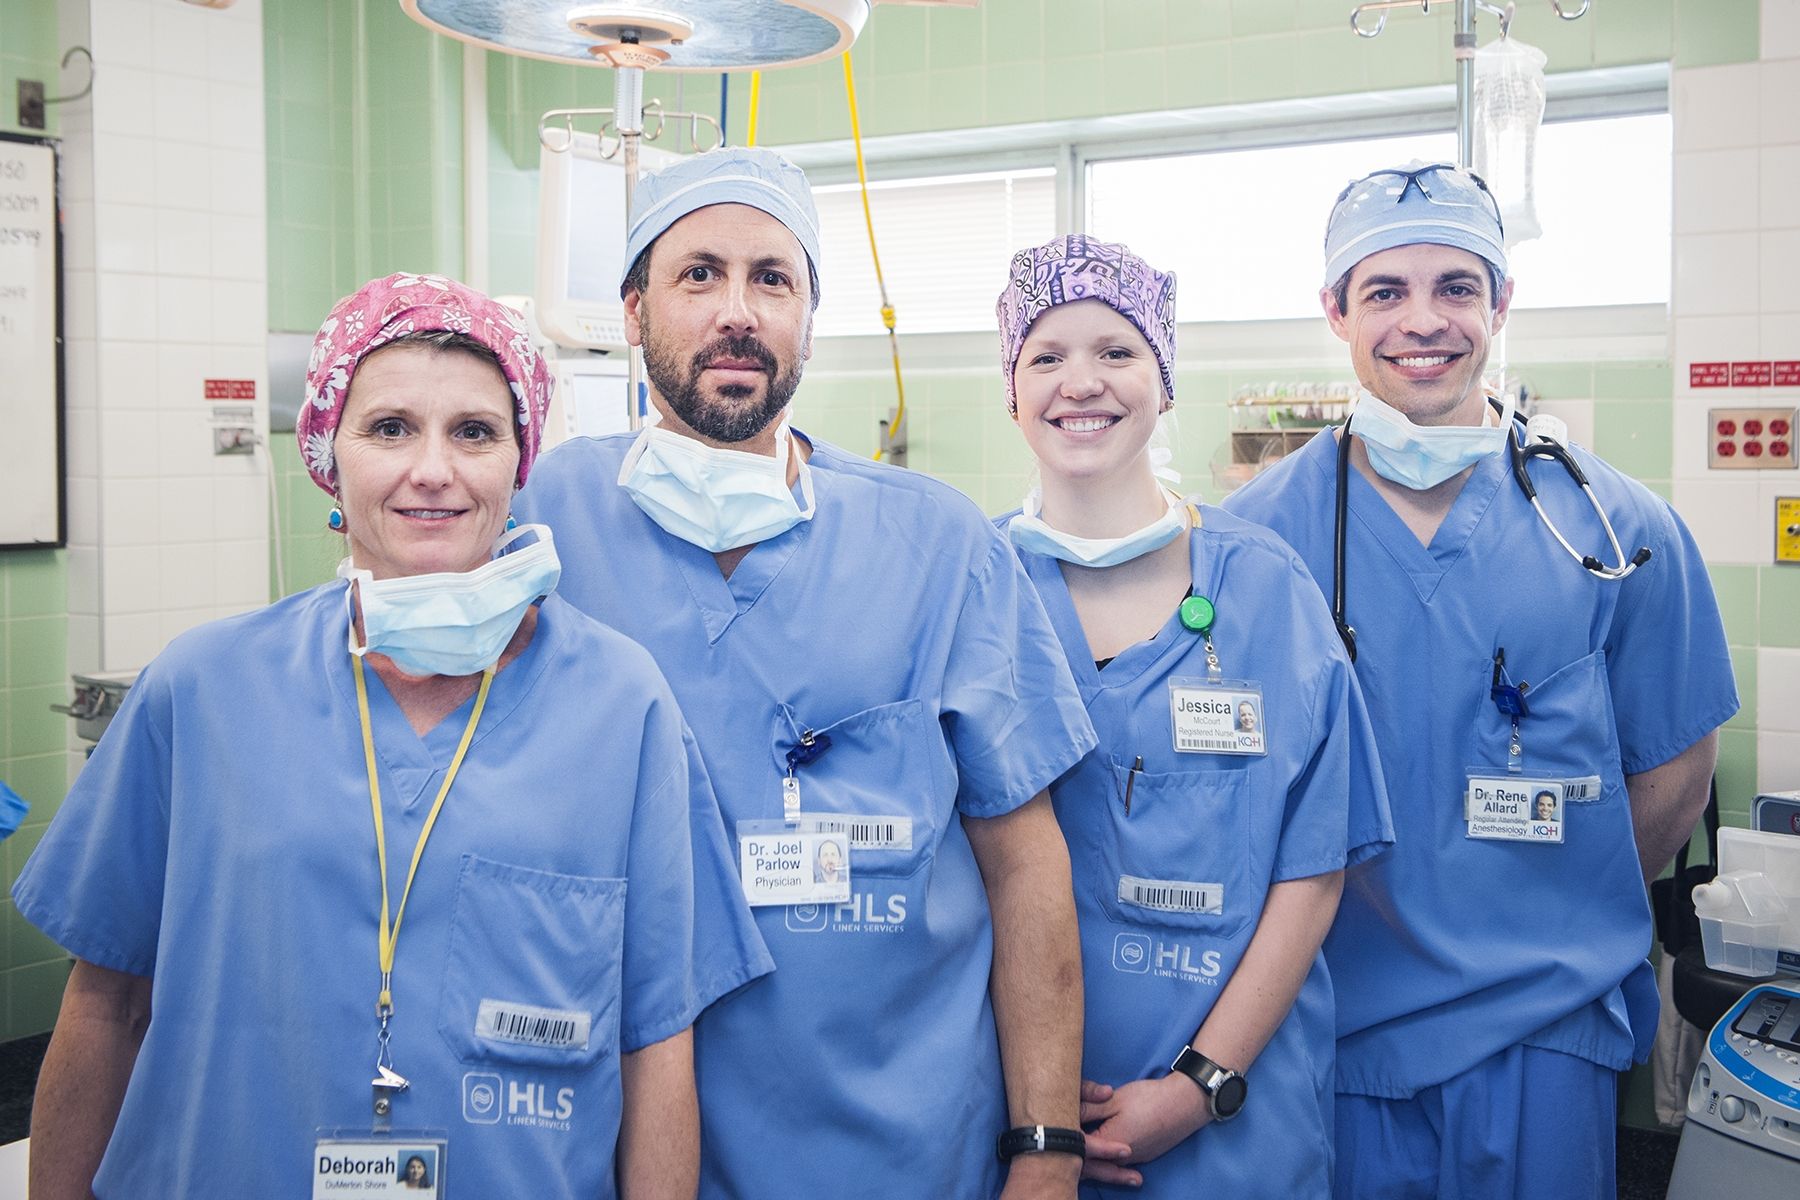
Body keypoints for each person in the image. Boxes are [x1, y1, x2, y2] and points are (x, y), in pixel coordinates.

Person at [14, 273, 771, 1200]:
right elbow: (104, 1004)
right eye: (390, 428)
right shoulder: (203, 688)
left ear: (520, 460)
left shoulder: (621, 706)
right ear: (329, 456)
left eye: (474, 432)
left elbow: (656, 1041)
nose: (433, 469)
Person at [513, 147, 1101, 1200]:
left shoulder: (937, 543)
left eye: (772, 279)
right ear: (635, 306)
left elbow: (1027, 868)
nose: (737, 310)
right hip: (614, 1145)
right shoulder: (545, 527)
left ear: (808, 319)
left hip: (899, 1152)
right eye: (699, 275)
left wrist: (1047, 1152)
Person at [1222, 163, 1738, 1198]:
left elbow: (1676, 773)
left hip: (1541, 1030)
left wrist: (1548, 898)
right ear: (1334, 310)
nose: (1425, 321)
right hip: (1328, 1029)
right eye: (1385, 292)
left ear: (1501, 304)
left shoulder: (1617, 530)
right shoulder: (1251, 540)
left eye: (1458, 287)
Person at [992, 235, 1392, 1198]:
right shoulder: (974, 587)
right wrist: (1035, 1118)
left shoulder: (1265, 589)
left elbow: (1315, 873)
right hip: (1019, 1116)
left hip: (1234, 1124)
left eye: (1117, 352)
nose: (1080, 382)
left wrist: (1200, 1083)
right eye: (1046, 356)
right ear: (1012, 391)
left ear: (1164, 382)